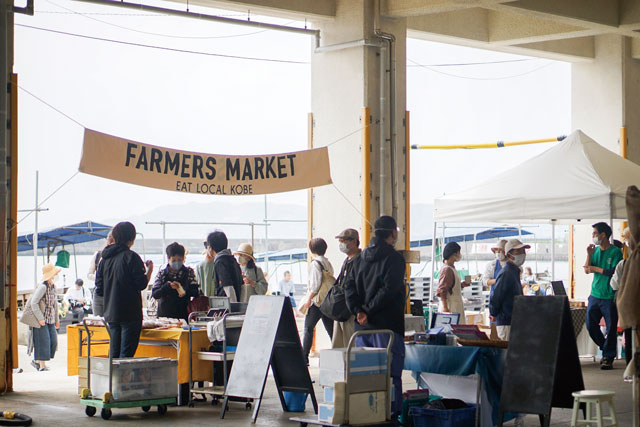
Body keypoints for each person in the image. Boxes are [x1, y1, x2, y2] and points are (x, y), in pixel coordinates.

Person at [345, 216, 406, 418]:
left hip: (362, 330)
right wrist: (368, 311)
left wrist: (358, 311)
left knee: (364, 377)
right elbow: (389, 290)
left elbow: (349, 287)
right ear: (393, 233)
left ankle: (366, 416)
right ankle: (391, 416)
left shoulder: (359, 258)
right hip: (387, 328)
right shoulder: (395, 259)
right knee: (390, 375)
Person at [95, 221, 154, 358]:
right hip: (130, 315)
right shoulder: (131, 257)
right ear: (132, 238)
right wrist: (150, 270)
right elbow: (141, 284)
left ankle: (112, 379)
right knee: (126, 356)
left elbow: (99, 290)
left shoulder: (104, 260)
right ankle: (121, 379)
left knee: (114, 355)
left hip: (111, 314)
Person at [584, 222, 623, 370]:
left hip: (609, 295)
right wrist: (589, 254)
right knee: (590, 324)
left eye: (595, 233)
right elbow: (587, 269)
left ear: (603, 235)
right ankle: (606, 348)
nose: (593, 236)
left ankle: (608, 357)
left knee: (611, 326)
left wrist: (596, 269)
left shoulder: (615, 252)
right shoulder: (595, 251)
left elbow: (613, 271)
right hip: (594, 294)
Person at [301, 238, 334, 365]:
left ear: (312, 250)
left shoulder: (315, 264)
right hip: (327, 301)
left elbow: (315, 285)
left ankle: (304, 357)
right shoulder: (327, 262)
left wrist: (309, 300)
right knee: (331, 330)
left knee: (308, 328)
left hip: (317, 302)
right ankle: (339, 353)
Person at [489, 239, 529, 341]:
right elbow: (496, 297)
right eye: (518, 252)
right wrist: (493, 313)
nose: (522, 254)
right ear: (509, 255)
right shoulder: (507, 273)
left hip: (513, 321)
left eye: (523, 251)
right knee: (507, 353)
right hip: (506, 322)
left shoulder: (514, 272)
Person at [151, 242, 200, 321]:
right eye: (173, 260)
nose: (176, 262)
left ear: (184, 258)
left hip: (183, 315)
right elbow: (155, 294)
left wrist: (183, 291)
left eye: (179, 260)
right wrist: (167, 287)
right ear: (168, 259)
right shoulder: (162, 274)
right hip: (164, 316)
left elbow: (196, 292)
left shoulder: (189, 272)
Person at [331, 228, 362, 348]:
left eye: (343, 241)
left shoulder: (360, 260)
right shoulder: (347, 260)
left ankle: (350, 366)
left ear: (354, 241)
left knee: (351, 345)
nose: (341, 245)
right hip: (341, 309)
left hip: (351, 311)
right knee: (338, 345)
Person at [30, 263, 61, 371]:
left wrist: (57, 319)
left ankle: (37, 362)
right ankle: (41, 365)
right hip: (42, 319)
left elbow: (55, 305)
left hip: (51, 319)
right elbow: (34, 302)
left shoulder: (53, 287)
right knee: (43, 341)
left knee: (53, 342)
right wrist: (40, 318)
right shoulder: (42, 287)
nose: (55, 276)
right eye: (54, 275)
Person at [199, 231, 243, 302]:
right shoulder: (233, 259)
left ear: (210, 248)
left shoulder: (220, 262)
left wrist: (233, 307)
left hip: (227, 306)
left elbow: (228, 286)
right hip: (238, 303)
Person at [436, 242, 470, 323]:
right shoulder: (447, 269)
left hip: (455, 306)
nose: (460, 255)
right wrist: (445, 307)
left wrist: (461, 285)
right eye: (459, 252)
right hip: (450, 307)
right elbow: (442, 290)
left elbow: (451, 287)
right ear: (454, 254)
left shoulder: (452, 268)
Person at [92, 231, 114, 317]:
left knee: (100, 324)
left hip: (101, 292)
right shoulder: (99, 255)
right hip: (103, 293)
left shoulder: (102, 257)